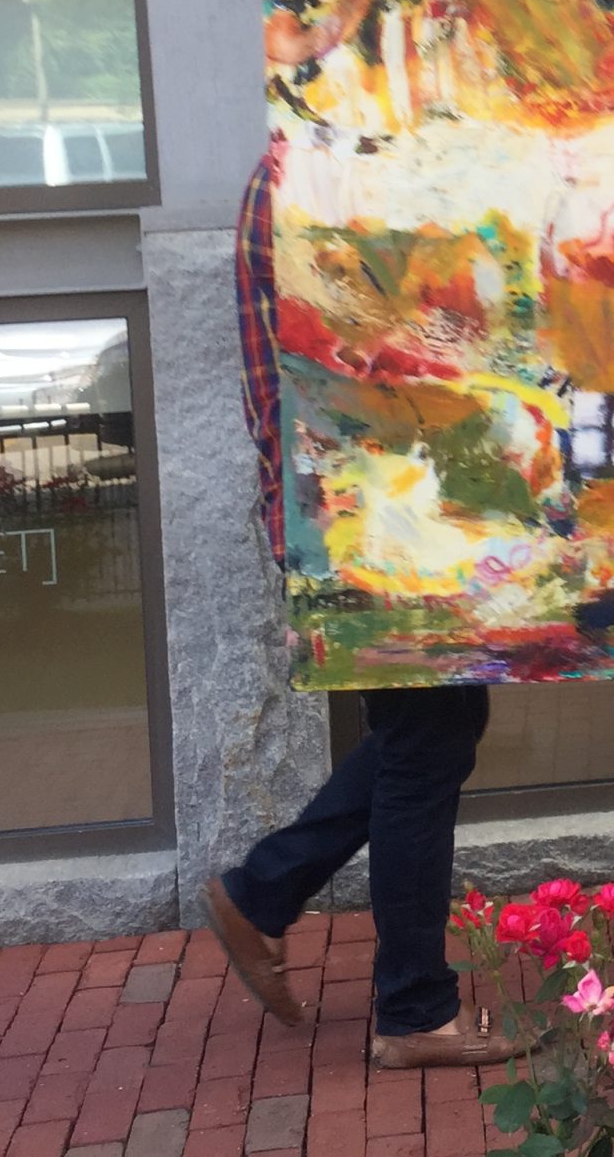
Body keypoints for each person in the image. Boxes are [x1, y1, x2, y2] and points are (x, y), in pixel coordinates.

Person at [201, 144, 511, 1070]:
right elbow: (364, 357)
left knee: (435, 724)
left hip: (371, 503)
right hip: (367, 508)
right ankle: (413, 1010)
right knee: (426, 740)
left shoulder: (304, 166)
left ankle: (264, 891)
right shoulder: (325, 173)